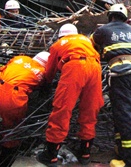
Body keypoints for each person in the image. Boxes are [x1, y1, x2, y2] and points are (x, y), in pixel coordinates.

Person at [37, 24, 104, 166]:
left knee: (63, 108)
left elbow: (50, 71)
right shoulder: (85, 39)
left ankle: (51, 155)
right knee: (90, 109)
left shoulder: (57, 45)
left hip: (75, 66)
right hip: (95, 67)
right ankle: (85, 153)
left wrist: (46, 85)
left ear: (61, 36)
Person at [90, 4, 131, 167]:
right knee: (122, 113)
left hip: (120, 74)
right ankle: (121, 150)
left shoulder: (103, 30)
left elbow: (90, 45)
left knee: (126, 115)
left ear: (110, 16)